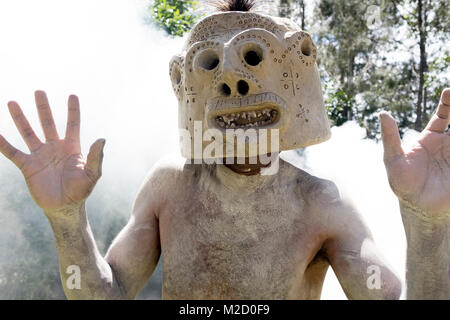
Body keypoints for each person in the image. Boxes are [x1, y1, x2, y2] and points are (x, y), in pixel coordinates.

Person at [0, 0, 448, 299]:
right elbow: (101, 293)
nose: (234, 84)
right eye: (211, 65)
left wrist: (427, 224)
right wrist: (66, 219)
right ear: (184, 82)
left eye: (253, 59)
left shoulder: (321, 205)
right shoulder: (170, 185)